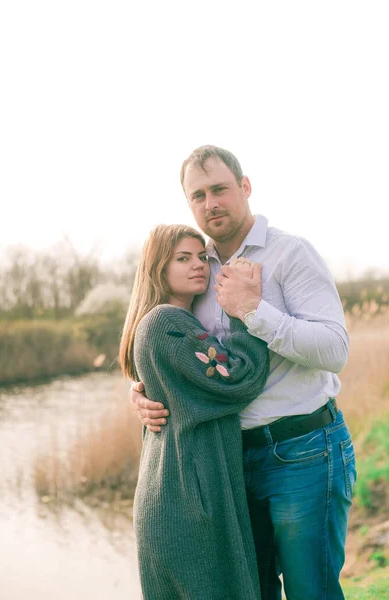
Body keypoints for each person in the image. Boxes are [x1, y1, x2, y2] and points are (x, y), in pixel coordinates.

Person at [129, 145, 357, 600]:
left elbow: (335, 349)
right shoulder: (197, 267)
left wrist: (254, 311)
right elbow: (183, 355)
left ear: (245, 187)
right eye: (198, 195)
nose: (210, 203)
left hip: (303, 449)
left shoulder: (291, 253)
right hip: (229, 463)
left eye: (219, 189)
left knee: (311, 591)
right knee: (251, 592)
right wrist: (144, 391)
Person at [120, 224, 269, 600]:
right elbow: (238, 378)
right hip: (184, 504)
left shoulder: (172, 322)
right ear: (157, 268)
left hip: (180, 495)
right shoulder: (166, 323)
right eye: (182, 258)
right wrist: (242, 311)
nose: (198, 265)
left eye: (202, 257)